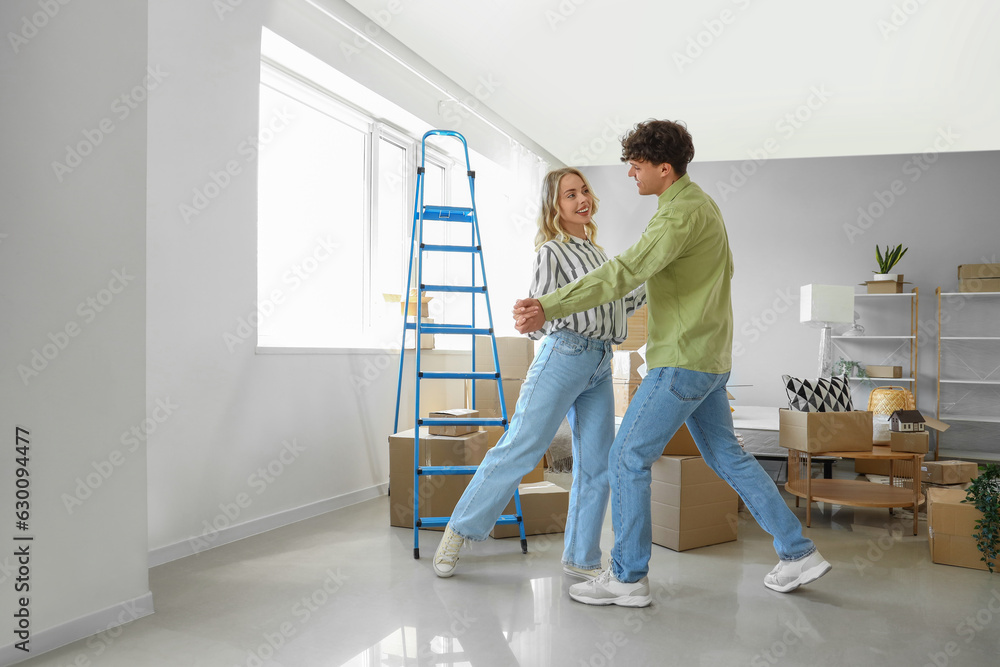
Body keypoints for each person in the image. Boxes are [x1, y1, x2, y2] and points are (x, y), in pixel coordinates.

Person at [514, 120, 830, 607]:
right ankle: (798, 551)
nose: (629, 175)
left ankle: (627, 577)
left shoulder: (677, 216)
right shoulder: (702, 206)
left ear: (665, 168)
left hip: (681, 363)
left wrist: (550, 305)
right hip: (709, 361)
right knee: (727, 455)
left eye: (636, 167)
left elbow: (623, 271)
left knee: (625, 457)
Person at [432, 167, 646, 579]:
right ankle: (459, 531)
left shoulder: (601, 256)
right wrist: (530, 317)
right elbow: (543, 316)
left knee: (597, 464)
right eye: (570, 195)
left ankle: (581, 558)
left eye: (584, 191)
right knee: (522, 447)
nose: (581, 199)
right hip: (565, 355)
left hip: (601, 361)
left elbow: (617, 306)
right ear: (555, 206)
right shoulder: (552, 252)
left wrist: (654, 275)